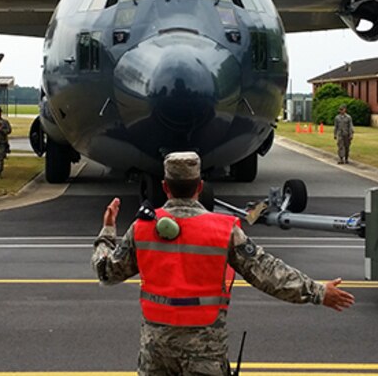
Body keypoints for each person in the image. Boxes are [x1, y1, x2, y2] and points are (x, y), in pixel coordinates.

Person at [91, 152, 355, 376]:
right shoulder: (224, 230)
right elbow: (269, 273)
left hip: (156, 353)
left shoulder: (142, 228)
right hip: (205, 352)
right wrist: (319, 292)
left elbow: (106, 272)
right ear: (200, 187)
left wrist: (107, 230)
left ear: (165, 187)